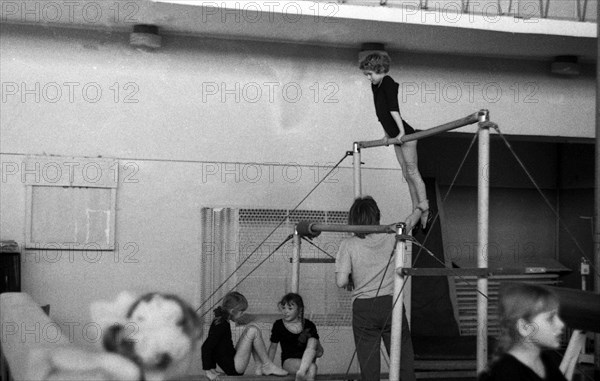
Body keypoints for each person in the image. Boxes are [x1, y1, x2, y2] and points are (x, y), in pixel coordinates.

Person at [335, 196, 416, 381]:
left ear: (353, 219)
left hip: (364, 308)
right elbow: (410, 222)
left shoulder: (348, 243)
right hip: (391, 304)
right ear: (377, 216)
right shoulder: (391, 235)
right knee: (403, 364)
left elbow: (340, 282)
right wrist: (421, 207)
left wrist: (350, 277)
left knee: (369, 369)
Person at [359, 52, 431, 233]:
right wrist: (386, 136)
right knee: (406, 174)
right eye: (366, 75)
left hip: (406, 134)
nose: (369, 78)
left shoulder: (388, 81)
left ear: (380, 70)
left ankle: (425, 208)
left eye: (370, 74)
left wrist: (400, 132)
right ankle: (415, 211)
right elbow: (381, 114)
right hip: (395, 135)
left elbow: (393, 109)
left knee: (413, 170)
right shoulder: (375, 86)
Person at [478, 283, 567, 381]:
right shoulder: (506, 373)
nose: (561, 324)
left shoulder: (546, 361)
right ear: (524, 327)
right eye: (550, 318)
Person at [201, 291, 288, 380]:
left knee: (251, 328)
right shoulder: (221, 324)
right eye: (241, 312)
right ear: (233, 311)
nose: (242, 315)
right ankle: (267, 365)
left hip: (233, 361)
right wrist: (208, 371)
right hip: (234, 368)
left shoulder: (220, 320)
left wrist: (213, 369)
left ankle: (259, 368)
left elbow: (214, 347)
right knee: (253, 330)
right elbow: (206, 347)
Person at [268, 293, 324, 381]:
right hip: (289, 362)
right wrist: (268, 366)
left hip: (307, 361)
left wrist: (311, 352)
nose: (285, 311)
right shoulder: (279, 325)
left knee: (313, 342)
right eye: (283, 308)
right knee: (312, 368)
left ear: (300, 310)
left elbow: (320, 352)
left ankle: (301, 372)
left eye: (290, 308)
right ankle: (301, 372)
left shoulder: (309, 325)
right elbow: (272, 348)